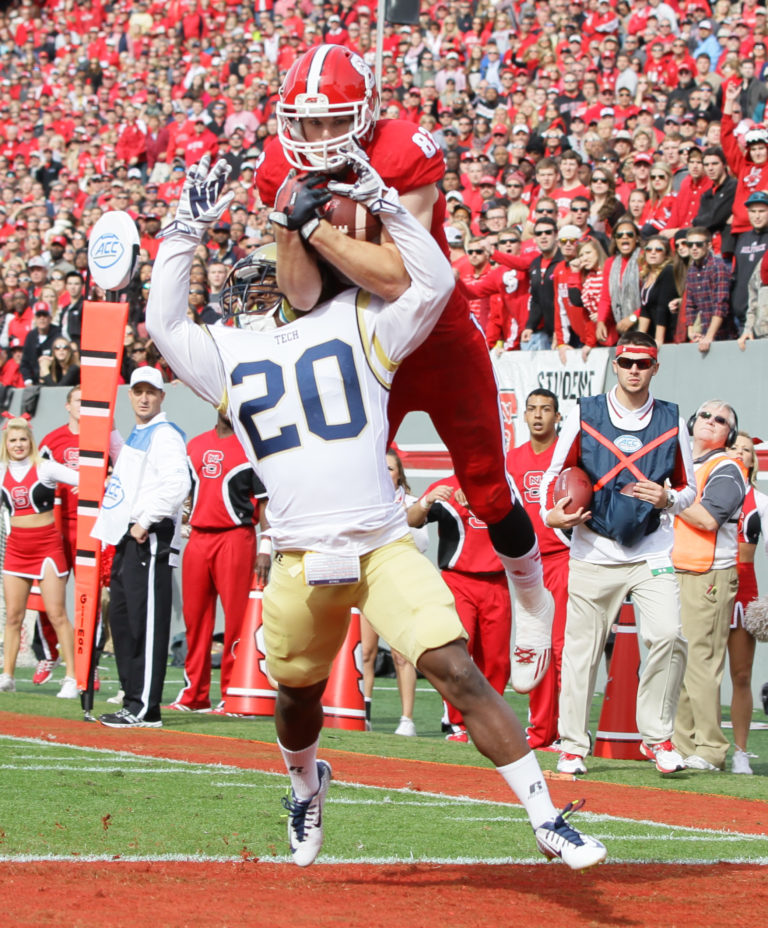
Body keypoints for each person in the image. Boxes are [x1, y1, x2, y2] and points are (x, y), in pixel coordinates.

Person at [145, 155, 605, 871]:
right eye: (254, 281)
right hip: (300, 556)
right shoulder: (226, 355)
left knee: (456, 669)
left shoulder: (360, 320)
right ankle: (305, 784)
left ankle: (546, 816)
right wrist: (183, 228)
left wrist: (386, 201)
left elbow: (436, 282)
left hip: (383, 545)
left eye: (275, 273)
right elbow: (162, 318)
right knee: (294, 699)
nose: (265, 286)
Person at [255, 46, 556, 697]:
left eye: (333, 121)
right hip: (361, 348)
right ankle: (303, 617)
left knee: (487, 489)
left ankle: (532, 598)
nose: (315, 137)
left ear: (363, 118)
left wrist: (320, 230)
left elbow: (403, 278)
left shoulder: (402, 151)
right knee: (332, 481)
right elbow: (302, 295)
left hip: (434, 333)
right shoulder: (279, 166)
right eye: (305, 123)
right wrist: (287, 228)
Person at [540, 331, 696, 777]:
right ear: (615, 364)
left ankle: (658, 738)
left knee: (668, 636)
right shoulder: (584, 412)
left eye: (642, 363)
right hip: (593, 550)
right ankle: (572, 746)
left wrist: (669, 502)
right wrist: (551, 517)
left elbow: (689, 488)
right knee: (581, 653)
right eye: (626, 361)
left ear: (655, 367)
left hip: (652, 550)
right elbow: (554, 476)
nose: (633, 370)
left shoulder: (672, 418)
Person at [92, 367, 191, 728]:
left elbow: (177, 483)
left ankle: (145, 707)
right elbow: (127, 466)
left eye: (151, 391)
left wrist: (145, 520)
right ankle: (132, 699)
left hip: (148, 537)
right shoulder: (141, 433)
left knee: (145, 622)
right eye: (138, 391)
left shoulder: (164, 435)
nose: (145, 397)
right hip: (128, 537)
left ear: (162, 395)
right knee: (124, 620)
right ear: (130, 395)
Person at [168, 413, 269, 713]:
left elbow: (264, 503)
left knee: (237, 621)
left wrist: (266, 545)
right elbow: (184, 495)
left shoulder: (253, 449)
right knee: (195, 620)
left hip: (236, 537)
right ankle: (194, 694)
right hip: (198, 537)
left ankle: (232, 692)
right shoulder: (195, 445)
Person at [407, 474, 512, 743]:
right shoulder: (446, 487)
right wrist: (427, 500)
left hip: (497, 581)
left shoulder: (503, 483)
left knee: (497, 659)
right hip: (458, 580)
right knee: (457, 654)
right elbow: (412, 520)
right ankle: (457, 723)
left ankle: (490, 720)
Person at [672, 401, 747, 771]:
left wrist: (668, 497)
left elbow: (707, 519)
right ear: (692, 422)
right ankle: (683, 745)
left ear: (728, 435)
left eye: (721, 420)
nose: (711, 422)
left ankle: (711, 749)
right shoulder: (685, 465)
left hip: (708, 573)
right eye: (705, 415)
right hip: (678, 569)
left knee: (701, 662)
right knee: (682, 662)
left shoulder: (727, 467)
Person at [506, 390, 570, 750]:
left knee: (562, 647)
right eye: (531, 409)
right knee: (536, 646)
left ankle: (568, 728)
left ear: (557, 416)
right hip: (527, 566)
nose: (538, 415)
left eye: (546, 409)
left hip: (562, 557)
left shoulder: (567, 455)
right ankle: (541, 729)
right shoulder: (512, 459)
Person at [0, 417, 79, 698]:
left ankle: (72, 676)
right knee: (13, 617)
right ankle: (7, 675)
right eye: (13, 440)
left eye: (23, 440)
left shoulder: (45, 467)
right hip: (16, 548)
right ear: (6, 444)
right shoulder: (1, 471)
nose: (18, 445)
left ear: (30, 442)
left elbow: (83, 478)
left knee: (57, 613)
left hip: (47, 546)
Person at [360, 447, 427, 736]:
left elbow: (422, 543)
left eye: (390, 468)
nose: (386, 473)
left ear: (399, 473)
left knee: (402, 655)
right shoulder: (364, 503)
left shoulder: (411, 503)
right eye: (381, 468)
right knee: (366, 652)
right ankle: (364, 713)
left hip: (400, 584)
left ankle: (407, 720)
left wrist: (398, 522)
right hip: (369, 584)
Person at [33, 387, 82, 685]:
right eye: (78, 401)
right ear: (67, 405)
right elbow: (36, 478)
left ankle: (83, 660)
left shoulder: (101, 437)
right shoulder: (52, 440)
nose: (82, 406)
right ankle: (49, 654)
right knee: (47, 593)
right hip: (56, 525)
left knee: (89, 595)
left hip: (89, 524)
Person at [727, 431, 768, 775]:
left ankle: (740, 752)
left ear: (754, 460)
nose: (742, 454)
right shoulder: (707, 490)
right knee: (703, 673)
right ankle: (703, 746)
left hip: (745, 590)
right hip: (710, 585)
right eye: (735, 448)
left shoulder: (762, 501)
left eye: (748, 451)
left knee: (741, 674)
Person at [683, 227, 733, 352]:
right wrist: (691, 332)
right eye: (690, 244)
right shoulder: (691, 270)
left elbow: (721, 305)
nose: (694, 248)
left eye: (699, 244)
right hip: (703, 334)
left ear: (709, 245)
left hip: (725, 336)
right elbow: (690, 305)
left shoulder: (718, 267)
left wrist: (709, 337)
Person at [636, 235, 683, 346]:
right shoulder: (647, 274)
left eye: (658, 250)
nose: (653, 252)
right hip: (652, 334)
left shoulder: (668, 271)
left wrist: (658, 340)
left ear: (666, 254)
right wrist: (638, 339)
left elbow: (663, 307)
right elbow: (645, 309)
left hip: (668, 335)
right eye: (649, 249)